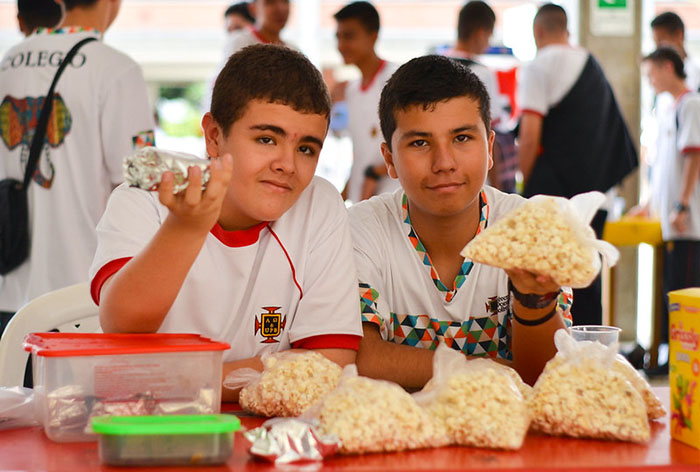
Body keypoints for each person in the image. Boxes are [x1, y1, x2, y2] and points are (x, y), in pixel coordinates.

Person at [90, 44, 362, 402]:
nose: (287, 164)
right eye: (266, 139)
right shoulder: (146, 198)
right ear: (214, 136)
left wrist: (178, 382)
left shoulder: (319, 204)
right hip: (148, 430)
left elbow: (329, 364)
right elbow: (122, 324)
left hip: (267, 437)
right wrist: (186, 228)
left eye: (307, 148)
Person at [350, 55, 573, 388]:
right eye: (420, 143)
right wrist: (490, 368)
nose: (444, 163)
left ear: (489, 148)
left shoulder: (529, 228)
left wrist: (533, 301)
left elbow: (547, 376)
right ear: (389, 160)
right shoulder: (361, 228)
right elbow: (361, 358)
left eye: (462, 138)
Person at [0, 0, 155, 333]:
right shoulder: (116, 68)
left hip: (8, 286)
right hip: (80, 293)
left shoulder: (9, 61)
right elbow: (142, 181)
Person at [515, 3, 637, 326]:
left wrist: (522, 187)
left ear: (538, 32)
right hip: (596, 195)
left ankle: (549, 354)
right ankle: (588, 352)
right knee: (586, 277)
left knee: (544, 279)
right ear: (566, 29)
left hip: (554, 196)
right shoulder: (591, 62)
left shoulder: (540, 65)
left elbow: (529, 136)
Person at [631, 47, 700, 375]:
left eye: (652, 73)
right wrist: (650, 205)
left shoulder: (691, 104)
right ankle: (669, 358)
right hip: (673, 220)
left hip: (689, 222)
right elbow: (664, 167)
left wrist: (682, 204)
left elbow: (693, 157)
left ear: (668, 67)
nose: (650, 80)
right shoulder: (669, 106)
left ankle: (681, 362)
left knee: (684, 294)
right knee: (671, 290)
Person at [443, 0, 516, 193]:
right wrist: (500, 191)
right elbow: (492, 134)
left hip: (441, 168)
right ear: (481, 33)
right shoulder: (482, 73)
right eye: (489, 37)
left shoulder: (435, 68)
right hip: (474, 176)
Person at [333, 1, 400, 203]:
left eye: (349, 36)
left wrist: (375, 173)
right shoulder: (351, 90)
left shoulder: (396, 79)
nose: (341, 45)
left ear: (373, 36)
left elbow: (417, 140)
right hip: (362, 204)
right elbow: (361, 153)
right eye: (338, 37)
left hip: (396, 198)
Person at [651, 11, 700, 92]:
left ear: (679, 35)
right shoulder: (660, 78)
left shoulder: (696, 76)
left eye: (661, 41)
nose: (658, 49)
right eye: (656, 43)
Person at [225, 0, 289, 54]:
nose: (281, 8)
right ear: (253, 9)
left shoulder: (293, 50)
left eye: (285, 1)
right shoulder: (239, 44)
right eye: (270, 2)